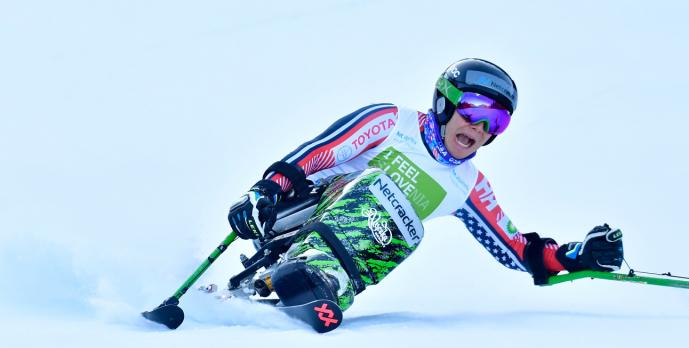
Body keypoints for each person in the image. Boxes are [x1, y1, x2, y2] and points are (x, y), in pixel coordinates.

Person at [227, 58, 624, 312]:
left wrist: (575, 257)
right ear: (445, 104)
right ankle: (310, 268)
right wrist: (267, 188)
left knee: (407, 227)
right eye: (473, 111)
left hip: (350, 254)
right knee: (382, 190)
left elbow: (516, 250)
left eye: (496, 122)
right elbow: (322, 151)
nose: (479, 128)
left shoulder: (469, 186)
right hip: (295, 212)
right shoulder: (391, 122)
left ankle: (326, 284)